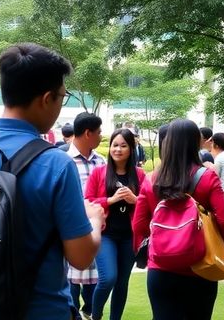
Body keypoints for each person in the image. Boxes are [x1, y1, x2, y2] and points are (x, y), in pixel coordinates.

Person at [0, 43, 105, 318]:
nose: (61, 104)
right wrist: (94, 219)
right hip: (38, 310)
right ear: (47, 98)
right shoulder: (57, 164)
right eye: (63, 96)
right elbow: (81, 257)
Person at [132, 118, 224, 319]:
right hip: (200, 268)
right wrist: (210, 245)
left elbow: (139, 224)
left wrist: (152, 250)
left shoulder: (152, 178)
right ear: (196, 142)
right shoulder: (207, 177)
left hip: (161, 268)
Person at [84, 128, 146, 320]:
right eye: (114, 145)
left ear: (131, 149)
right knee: (108, 277)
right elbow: (88, 201)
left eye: (123, 145)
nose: (117, 149)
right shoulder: (99, 172)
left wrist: (135, 199)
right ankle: (95, 315)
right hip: (106, 234)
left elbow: (149, 204)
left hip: (130, 236)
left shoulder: (140, 175)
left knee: (122, 282)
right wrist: (110, 200)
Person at [67, 112, 106, 319]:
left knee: (95, 275)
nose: (101, 136)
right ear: (88, 133)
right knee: (70, 275)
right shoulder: (63, 160)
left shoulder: (101, 161)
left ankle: (88, 311)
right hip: (71, 227)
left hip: (97, 226)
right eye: (99, 132)